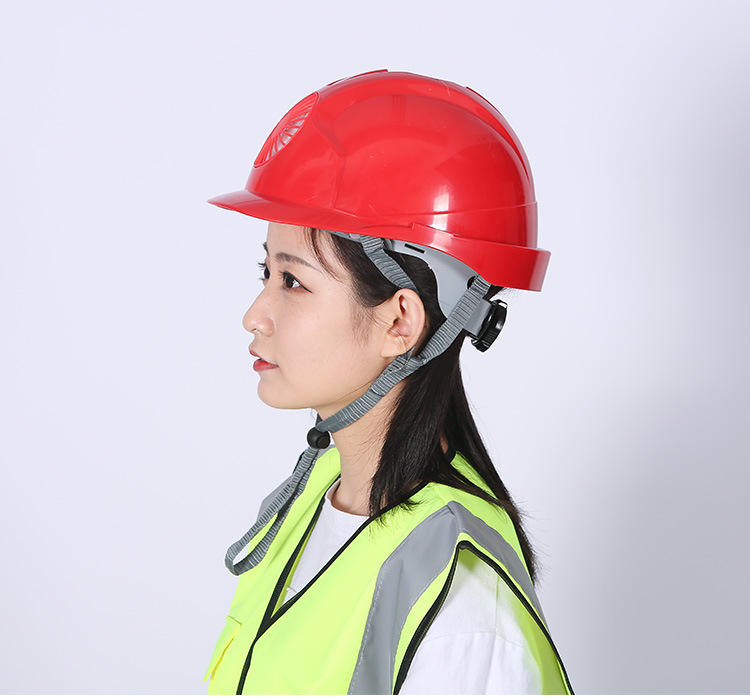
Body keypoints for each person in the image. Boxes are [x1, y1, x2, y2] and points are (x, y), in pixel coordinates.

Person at [203, 70, 572, 695]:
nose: (254, 315)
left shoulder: (461, 614)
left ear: (399, 321)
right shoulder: (312, 498)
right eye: (264, 272)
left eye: (293, 282)